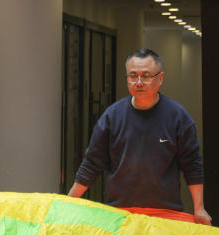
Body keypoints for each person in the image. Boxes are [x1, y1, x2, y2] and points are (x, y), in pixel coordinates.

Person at [67, 48, 211, 225]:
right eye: (133, 76)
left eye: (146, 76)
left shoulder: (178, 118)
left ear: (160, 78)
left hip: (165, 214)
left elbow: (192, 166)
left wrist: (199, 208)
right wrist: (70, 202)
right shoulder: (112, 116)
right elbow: (92, 162)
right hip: (120, 213)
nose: (139, 82)